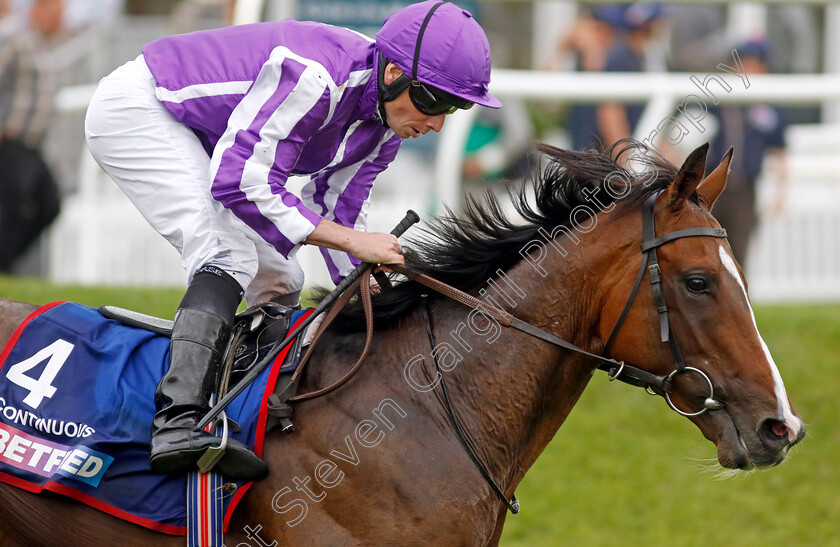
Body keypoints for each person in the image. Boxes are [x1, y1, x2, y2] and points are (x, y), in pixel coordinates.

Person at [84, 0, 501, 480]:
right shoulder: (315, 76)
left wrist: (366, 285)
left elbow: (340, 210)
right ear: (391, 75)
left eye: (456, 106)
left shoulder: (383, 127)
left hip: (196, 130)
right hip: (141, 109)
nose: (437, 122)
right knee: (226, 252)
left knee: (282, 276)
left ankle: (239, 414)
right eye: (433, 101)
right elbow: (241, 181)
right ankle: (177, 419)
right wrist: (354, 243)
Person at [709, 38, 787, 263]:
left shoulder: (770, 104)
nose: (748, 70)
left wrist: (780, 191)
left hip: (744, 189)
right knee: (703, 250)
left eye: (755, 64)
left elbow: (780, 149)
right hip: (711, 187)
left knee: (738, 253)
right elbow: (682, 135)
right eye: (743, 64)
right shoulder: (716, 99)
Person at [0, 0, 61, 272]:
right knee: (9, 210)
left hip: (32, 144)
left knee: (50, 203)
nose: (61, 19)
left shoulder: (38, 44)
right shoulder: (14, 38)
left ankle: (5, 262)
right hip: (11, 142)